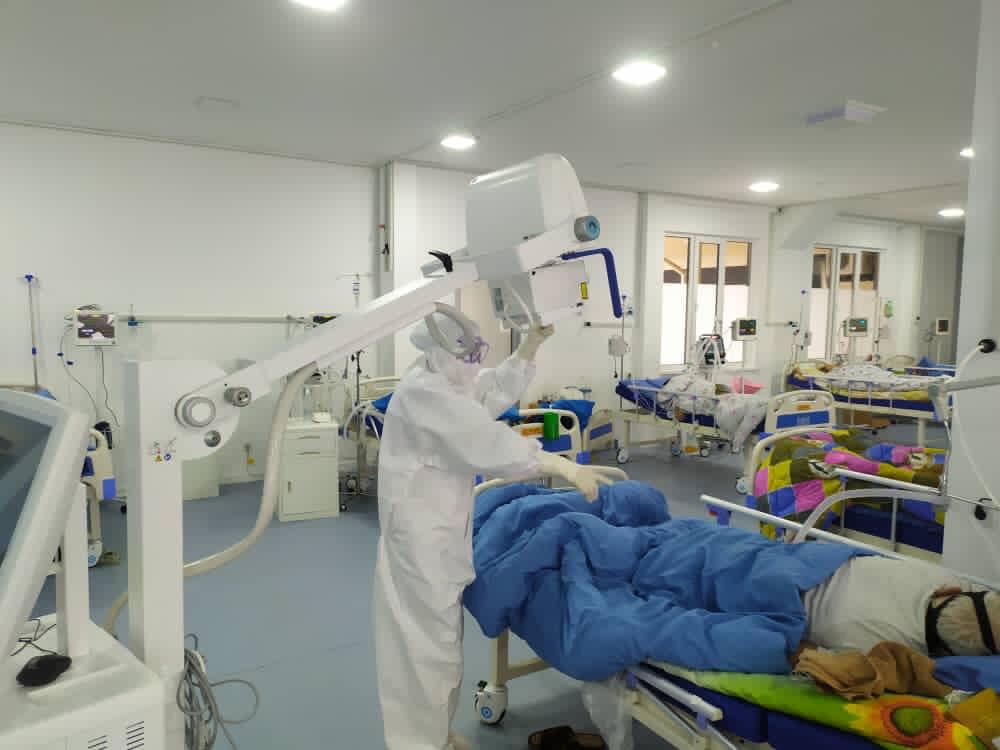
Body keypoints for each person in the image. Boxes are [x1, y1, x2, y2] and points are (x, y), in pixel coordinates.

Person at [372, 312, 611, 750]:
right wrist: (558, 464)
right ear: (444, 352)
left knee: (438, 647)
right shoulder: (426, 393)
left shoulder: (444, 382)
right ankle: (421, 743)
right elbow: (487, 440)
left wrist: (528, 348)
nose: (476, 360)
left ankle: (432, 736)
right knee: (427, 650)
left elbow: (488, 392)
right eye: (470, 353)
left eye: (478, 350)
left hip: (438, 529)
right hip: (422, 538)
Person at [802, 555, 999, 657]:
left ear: (947, 592)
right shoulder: (883, 651)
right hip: (798, 603)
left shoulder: (939, 578)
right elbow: (805, 655)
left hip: (809, 562)